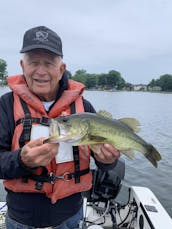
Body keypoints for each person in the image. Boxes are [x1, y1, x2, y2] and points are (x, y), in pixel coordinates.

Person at [0, 26, 120, 229]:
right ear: (22, 66)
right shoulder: (5, 105)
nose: (41, 71)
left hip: (70, 216)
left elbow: (104, 160)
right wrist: (21, 160)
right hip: (20, 219)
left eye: (48, 63)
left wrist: (107, 161)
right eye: (33, 62)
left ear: (61, 69)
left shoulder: (85, 109)